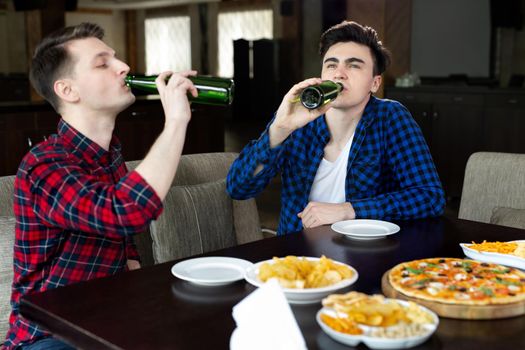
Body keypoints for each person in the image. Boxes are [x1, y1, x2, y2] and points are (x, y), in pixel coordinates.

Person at [4, 23, 197, 349]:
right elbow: (123, 211)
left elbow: (114, 226)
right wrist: (176, 121)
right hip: (49, 335)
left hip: (105, 320)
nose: (123, 67)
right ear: (67, 90)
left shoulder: (109, 154)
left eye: (116, 58)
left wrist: (132, 265)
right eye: (102, 63)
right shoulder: (43, 165)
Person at [226, 21, 445, 235]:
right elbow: (239, 188)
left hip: (364, 254)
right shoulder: (297, 118)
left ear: (375, 83)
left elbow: (430, 197)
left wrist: (349, 210)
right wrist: (279, 129)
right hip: (296, 256)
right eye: (331, 65)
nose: (339, 73)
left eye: (353, 65)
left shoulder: (390, 117)